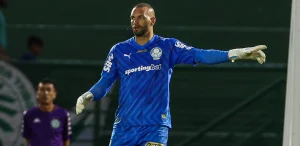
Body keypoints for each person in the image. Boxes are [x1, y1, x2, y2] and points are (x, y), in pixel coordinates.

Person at [75, 3, 267, 146]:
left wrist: (235, 53)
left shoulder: (168, 46)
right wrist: (88, 95)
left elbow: (200, 55)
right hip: (125, 126)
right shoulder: (119, 50)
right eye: (133, 18)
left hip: (154, 126)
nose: (135, 21)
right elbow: (106, 80)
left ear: (153, 20)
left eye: (141, 17)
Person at [22, 78, 72, 146]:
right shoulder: (28, 115)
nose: (45, 93)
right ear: (37, 94)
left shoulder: (63, 114)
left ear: (54, 94)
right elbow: (27, 141)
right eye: (42, 90)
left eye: (49, 90)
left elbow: (66, 140)